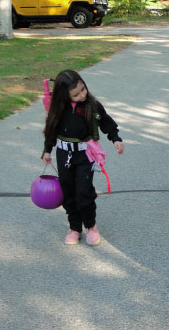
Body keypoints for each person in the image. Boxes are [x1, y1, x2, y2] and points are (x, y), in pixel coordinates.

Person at [42, 70, 124, 246]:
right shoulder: (58, 109)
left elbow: (106, 123)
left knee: (84, 192)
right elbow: (51, 129)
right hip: (64, 154)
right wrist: (47, 150)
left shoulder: (92, 106)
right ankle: (74, 228)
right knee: (68, 192)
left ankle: (91, 226)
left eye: (83, 89)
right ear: (65, 96)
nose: (82, 94)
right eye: (76, 94)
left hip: (85, 155)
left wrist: (115, 139)